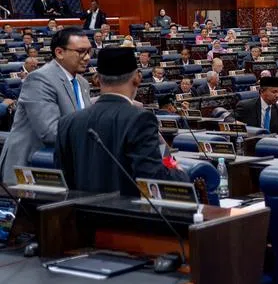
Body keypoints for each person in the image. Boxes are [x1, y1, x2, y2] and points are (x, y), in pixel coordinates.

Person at [55, 47, 189, 196]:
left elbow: (62, 181)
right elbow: (154, 180)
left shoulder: (67, 122)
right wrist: (180, 174)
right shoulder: (140, 119)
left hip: (80, 210)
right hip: (129, 210)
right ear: (138, 78)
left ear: (97, 79)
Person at [0, 27, 92, 183]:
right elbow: (50, 132)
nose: (87, 57)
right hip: (31, 169)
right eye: (81, 51)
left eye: (89, 51)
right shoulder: (39, 79)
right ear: (59, 52)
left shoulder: (82, 82)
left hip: (64, 166)